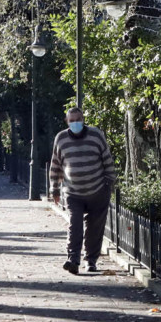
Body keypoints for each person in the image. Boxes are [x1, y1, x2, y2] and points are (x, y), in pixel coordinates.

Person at [49, 107, 117, 275]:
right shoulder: (61, 138)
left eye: (78, 119)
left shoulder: (96, 135)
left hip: (98, 190)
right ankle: (73, 259)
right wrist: (54, 190)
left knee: (95, 228)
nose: (75, 123)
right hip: (73, 192)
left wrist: (110, 181)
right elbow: (56, 164)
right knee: (75, 225)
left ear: (83, 119)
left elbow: (106, 158)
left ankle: (91, 260)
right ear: (67, 122)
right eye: (72, 120)